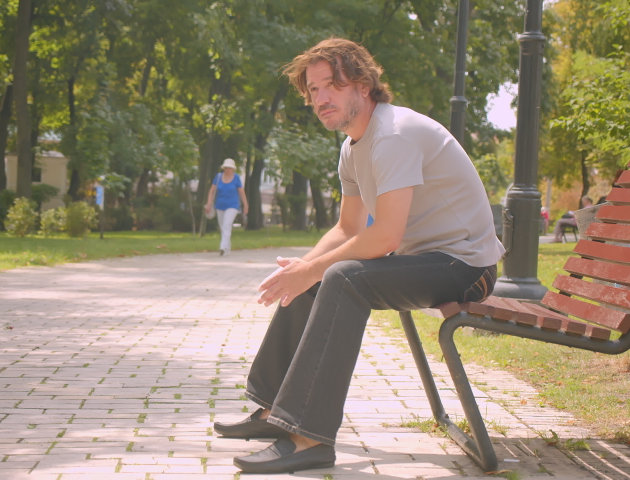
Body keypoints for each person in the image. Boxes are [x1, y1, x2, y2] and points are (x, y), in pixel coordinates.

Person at [212, 38, 505, 474]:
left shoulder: (392, 135)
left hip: (466, 267)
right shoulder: (352, 147)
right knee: (317, 274)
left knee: (340, 276)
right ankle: (273, 411)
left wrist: (315, 269)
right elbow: (348, 228)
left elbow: (385, 236)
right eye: (313, 89)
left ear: (363, 85)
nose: (320, 98)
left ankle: (309, 436)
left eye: (332, 85)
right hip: (427, 261)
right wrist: (301, 269)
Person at [204, 158, 249, 256]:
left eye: (230, 168)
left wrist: (245, 205)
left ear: (233, 169)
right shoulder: (218, 177)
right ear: (223, 168)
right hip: (219, 205)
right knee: (222, 227)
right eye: (226, 167)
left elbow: (241, 192)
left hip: (233, 205)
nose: (228, 169)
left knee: (226, 225)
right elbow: (211, 191)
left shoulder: (236, 178)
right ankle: (227, 248)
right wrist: (209, 203)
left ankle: (223, 247)